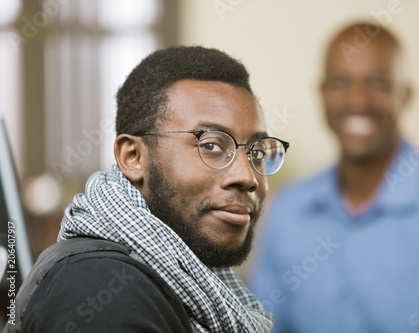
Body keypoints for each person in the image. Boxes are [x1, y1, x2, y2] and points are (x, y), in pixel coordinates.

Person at [5, 46, 290, 333]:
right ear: (133, 157)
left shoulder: (197, 281)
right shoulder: (100, 287)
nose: (248, 177)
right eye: (211, 146)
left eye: (256, 152)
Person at [248, 22, 419, 333]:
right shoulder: (286, 210)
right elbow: (260, 326)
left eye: (377, 83)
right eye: (340, 82)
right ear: (323, 93)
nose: (357, 100)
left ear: (405, 95)